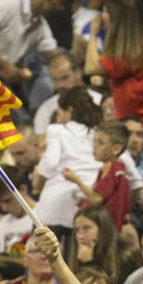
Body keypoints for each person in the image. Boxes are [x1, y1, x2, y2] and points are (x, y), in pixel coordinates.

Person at [85, 0, 143, 188]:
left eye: (105, 12)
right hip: (141, 128)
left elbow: (91, 67)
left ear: (115, 17)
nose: (102, 16)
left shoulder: (129, 51)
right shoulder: (138, 45)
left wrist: (93, 34)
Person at [34, 87, 102, 234]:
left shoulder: (57, 130)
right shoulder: (100, 133)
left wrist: (37, 181)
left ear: (69, 111)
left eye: (59, 112)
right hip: (88, 204)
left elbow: (50, 162)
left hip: (55, 208)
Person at [63, 122, 130, 232]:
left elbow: (96, 199)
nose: (94, 146)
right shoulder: (116, 169)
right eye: (94, 141)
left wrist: (76, 180)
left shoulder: (112, 169)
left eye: (100, 142)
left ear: (116, 149)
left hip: (105, 230)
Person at [69, 207, 119, 284]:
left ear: (103, 229)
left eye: (86, 228)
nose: (81, 236)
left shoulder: (124, 256)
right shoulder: (77, 257)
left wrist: (88, 264)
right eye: (77, 230)